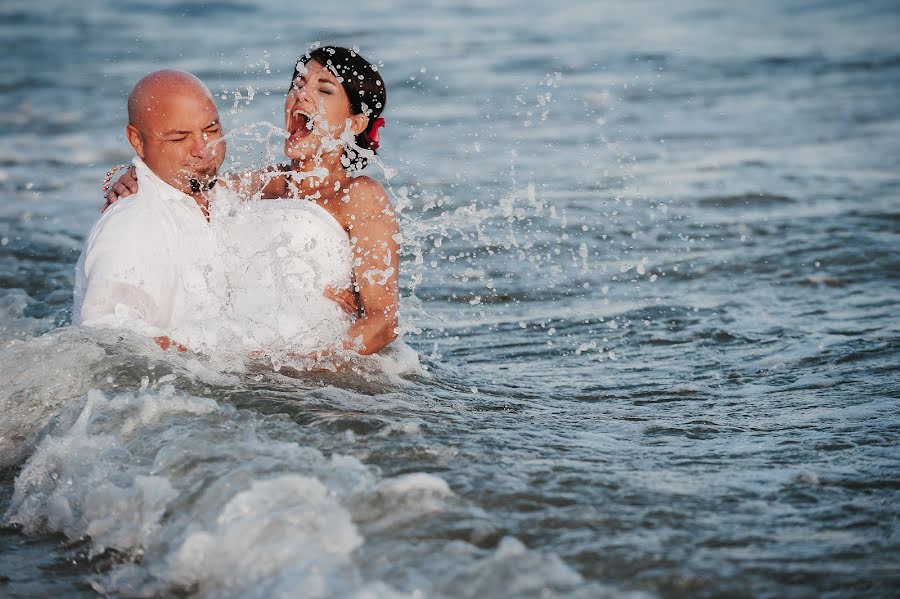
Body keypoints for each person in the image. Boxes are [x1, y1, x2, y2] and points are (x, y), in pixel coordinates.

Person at [106, 46, 400, 358]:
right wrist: (138, 175)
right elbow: (187, 181)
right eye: (298, 85)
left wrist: (303, 368)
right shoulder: (267, 182)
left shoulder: (360, 194)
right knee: (126, 347)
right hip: (236, 350)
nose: (301, 95)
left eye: (323, 89)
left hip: (304, 375)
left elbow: (383, 323)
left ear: (355, 123)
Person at [75, 70, 227, 352]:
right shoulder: (132, 224)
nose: (203, 149)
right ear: (137, 140)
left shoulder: (221, 199)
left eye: (212, 130)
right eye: (179, 138)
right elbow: (108, 334)